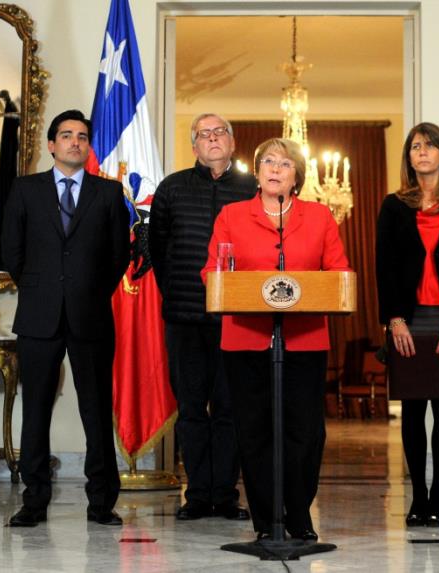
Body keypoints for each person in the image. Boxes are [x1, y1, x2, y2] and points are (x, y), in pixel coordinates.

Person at [201, 138, 351, 542]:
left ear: (296, 175)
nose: (274, 168)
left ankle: (299, 515)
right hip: (245, 341)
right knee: (254, 431)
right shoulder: (232, 215)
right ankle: (266, 521)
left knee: (305, 433)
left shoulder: (319, 217)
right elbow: (213, 272)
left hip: (303, 341)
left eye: (284, 163)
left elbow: (338, 273)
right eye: (268, 161)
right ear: (257, 170)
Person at [2, 109, 131, 527]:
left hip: (91, 315)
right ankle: (33, 501)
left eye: (82, 136)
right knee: (35, 411)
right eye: (66, 135)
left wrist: (87, 292)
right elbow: (12, 253)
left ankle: (101, 503)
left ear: (87, 145)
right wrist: (45, 291)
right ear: (52, 145)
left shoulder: (108, 194)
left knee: (96, 411)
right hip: (38, 318)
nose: (75, 141)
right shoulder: (25, 190)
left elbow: (118, 257)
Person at [149, 113, 255, 521]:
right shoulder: (172, 188)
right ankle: (197, 495)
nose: (212, 139)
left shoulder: (252, 188)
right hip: (185, 318)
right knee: (191, 410)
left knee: (230, 411)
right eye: (203, 135)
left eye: (219, 132)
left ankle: (225, 495)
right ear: (194, 146)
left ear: (232, 141)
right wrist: (179, 290)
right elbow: (158, 249)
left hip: (238, 319)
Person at [376, 122, 439, 528]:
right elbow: (383, 266)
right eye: (415, 147)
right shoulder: (393, 206)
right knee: (413, 409)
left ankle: (438, 496)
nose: (421, 152)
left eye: (429, 146)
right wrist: (394, 320)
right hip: (409, 318)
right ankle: (418, 496)